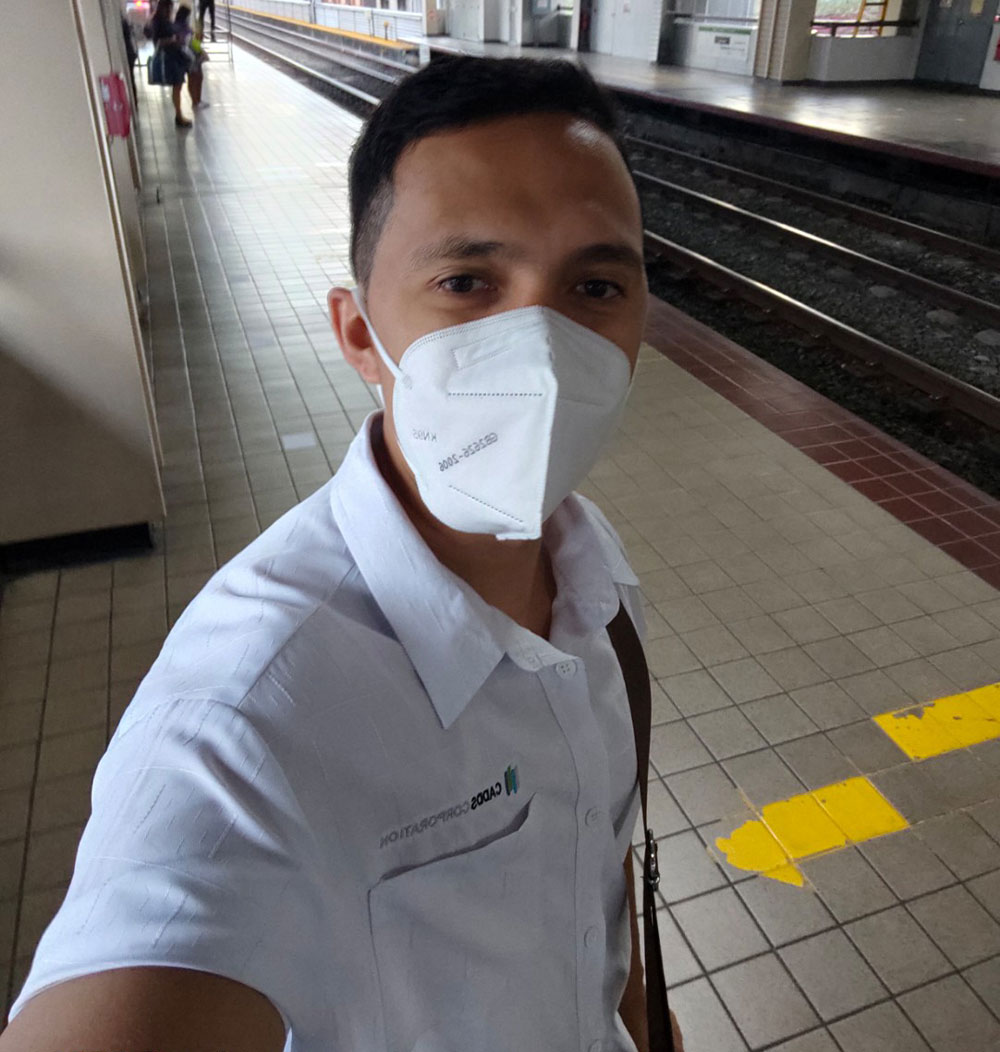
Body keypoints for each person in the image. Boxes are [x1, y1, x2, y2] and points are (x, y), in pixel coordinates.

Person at [0, 57, 685, 1052]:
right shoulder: (242, 721)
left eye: (593, 284)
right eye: (466, 281)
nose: (540, 348)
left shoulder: (595, 581)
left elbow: (594, 866)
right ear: (360, 333)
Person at [149, 0, 192, 128]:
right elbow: (158, 41)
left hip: (173, 56)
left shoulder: (163, 20)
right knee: (177, 86)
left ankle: (179, 114)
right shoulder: (160, 22)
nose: (171, 10)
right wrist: (173, 39)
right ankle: (179, 116)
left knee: (178, 87)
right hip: (169, 58)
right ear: (165, 7)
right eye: (169, 8)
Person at [175, 4, 208, 109]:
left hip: (193, 55)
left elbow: (191, 40)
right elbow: (186, 41)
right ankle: (195, 101)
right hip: (189, 57)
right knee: (194, 78)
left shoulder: (183, 26)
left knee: (198, 77)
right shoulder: (179, 27)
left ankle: (198, 100)